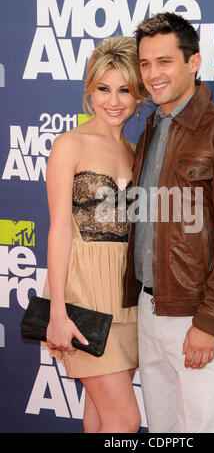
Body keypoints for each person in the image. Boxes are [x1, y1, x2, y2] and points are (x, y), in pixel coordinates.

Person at [122, 12, 214, 433]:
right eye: (145, 64)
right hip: (150, 308)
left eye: (164, 62)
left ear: (193, 62)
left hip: (197, 315)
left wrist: (209, 320)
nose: (152, 75)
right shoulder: (150, 126)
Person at [43, 36, 144, 433]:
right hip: (82, 300)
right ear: (90, 89)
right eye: (104, 88)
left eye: (125, 90)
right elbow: (59, 231)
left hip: (127, 301)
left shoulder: (137, 151)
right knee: (125, 420)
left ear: (138, 94)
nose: (114, 100)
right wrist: (57, 313)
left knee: (101, 418)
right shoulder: (69, 145)